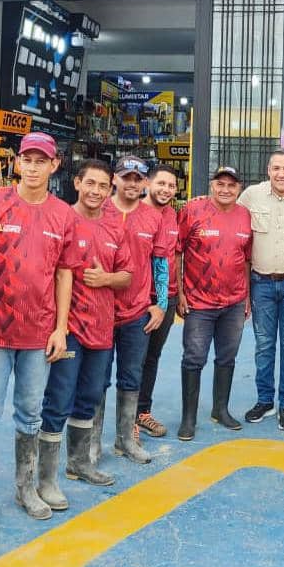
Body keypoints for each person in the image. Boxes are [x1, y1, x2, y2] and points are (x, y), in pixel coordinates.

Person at [0, 131, 73, 531]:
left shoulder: (63, 215)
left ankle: (26, 488)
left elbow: (64, 273)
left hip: (38, 335)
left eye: (41, 160)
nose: (33, 167)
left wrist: (60, 328)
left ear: (54, 165)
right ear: (17, 163)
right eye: (27, 159)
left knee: (30, 413)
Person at [38, 159, 132, 497]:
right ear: (77, 183)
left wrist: (105, 278)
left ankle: (78, 462)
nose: (95, 191)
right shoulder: (61, 219)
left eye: (102, 186)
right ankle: (45, 479)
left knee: (91, 396)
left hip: (103, 328)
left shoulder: (114, 227)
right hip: (68, 327)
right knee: (59, 398)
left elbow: (127, 275)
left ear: (110, 191)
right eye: (89, 183)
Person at [91, 156, 170, 466]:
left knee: (131, 377)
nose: (132, 184)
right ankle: (92, 443)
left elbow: (160, 263)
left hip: (137, 311)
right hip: (97, 311)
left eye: (138, 179)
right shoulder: (97, 209)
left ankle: (126, 439)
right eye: (127, 177)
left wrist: (161, 304)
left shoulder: (153, 218)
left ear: (145, 183)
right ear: (115, 179)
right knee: (96, 379)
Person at [238, 150, 284, 430]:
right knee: (264, 345)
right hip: (261, 283)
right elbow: (228, 211)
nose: (281, 173)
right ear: (268, 170)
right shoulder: (251, 196)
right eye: (276, 168)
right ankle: (265, 400)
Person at [177, 167, 252, 441]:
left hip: (234, 301)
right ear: (211, 185)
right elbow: (177, 251)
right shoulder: (192, 210)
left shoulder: (245, 215)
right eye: (220, 184)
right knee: (194, 358)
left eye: (231, 186)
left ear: (239, 189)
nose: (225, 190)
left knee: (227, 357)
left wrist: (246, 296)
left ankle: (220, 409)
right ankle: (188, 418)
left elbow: (245, 259)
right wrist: (180, 292)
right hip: (199, 301)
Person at [137, 164, 181, 438]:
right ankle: (126, 420)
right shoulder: (134, 213)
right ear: (147, 184)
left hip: (167, 299)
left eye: (171, 186)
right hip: (139, 301)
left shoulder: (173, 215)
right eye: (161, 184)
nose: (165, 190)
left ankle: (142, 412)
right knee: (133, 360)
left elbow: (175, 256)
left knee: (152, 356)